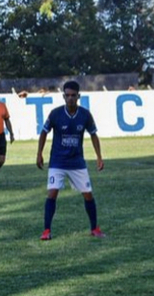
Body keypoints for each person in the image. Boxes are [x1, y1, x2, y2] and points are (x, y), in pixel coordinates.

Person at [36, 81, 105, 241]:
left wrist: (99, 156)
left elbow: (93, 134)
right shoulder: (55, 114)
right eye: (67, 95)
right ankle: (47, 231)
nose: (70, 98)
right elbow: (44, 132)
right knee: (52, 193)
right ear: (63, 96)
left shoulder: (85, 115)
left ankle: (94, 228)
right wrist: (39, 153)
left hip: (77, 163)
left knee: (88, 195)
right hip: (57, 162)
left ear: (78, 96)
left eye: (73, 95)